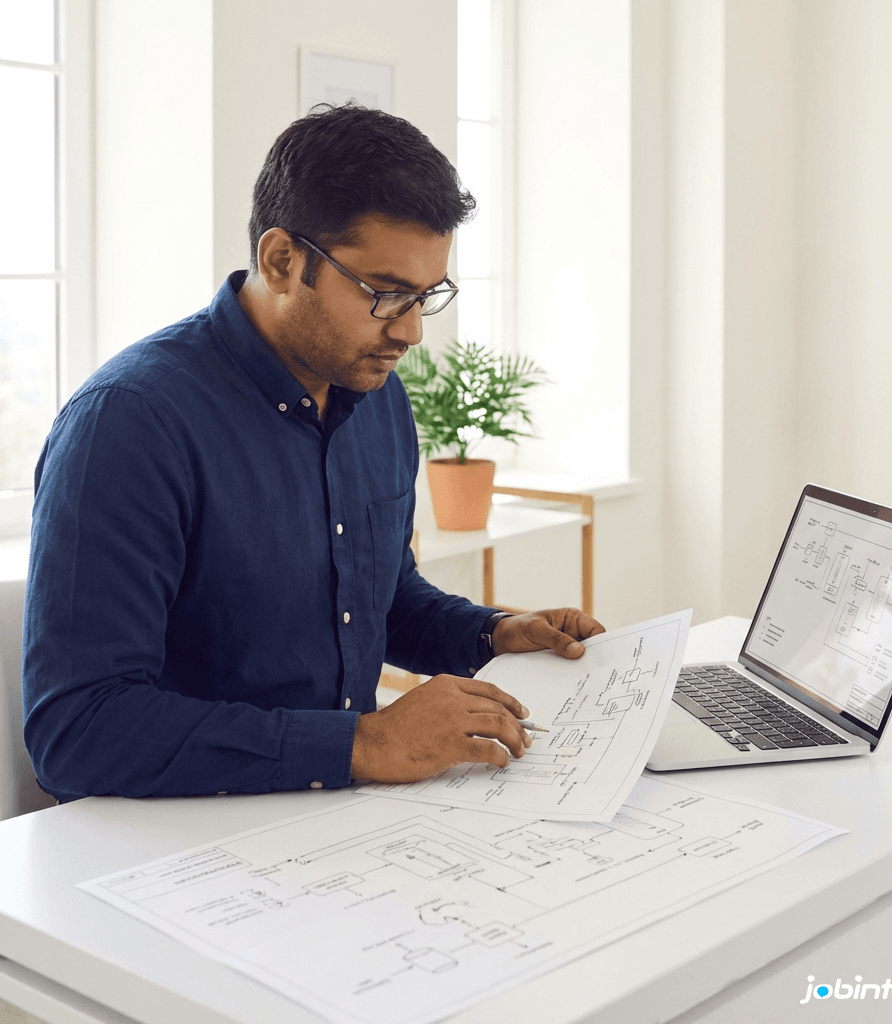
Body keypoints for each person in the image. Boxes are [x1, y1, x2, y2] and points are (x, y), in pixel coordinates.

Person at [21, 103, 604, 802]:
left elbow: (375, 601)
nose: (413, 331)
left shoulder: (375, 391)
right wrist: (365, 742)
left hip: (330, 815)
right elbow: (78, 731)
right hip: (166, 845)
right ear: (281, 260)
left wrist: (493, 633)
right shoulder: (128, 426)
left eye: (427, 295)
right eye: (386, 294)